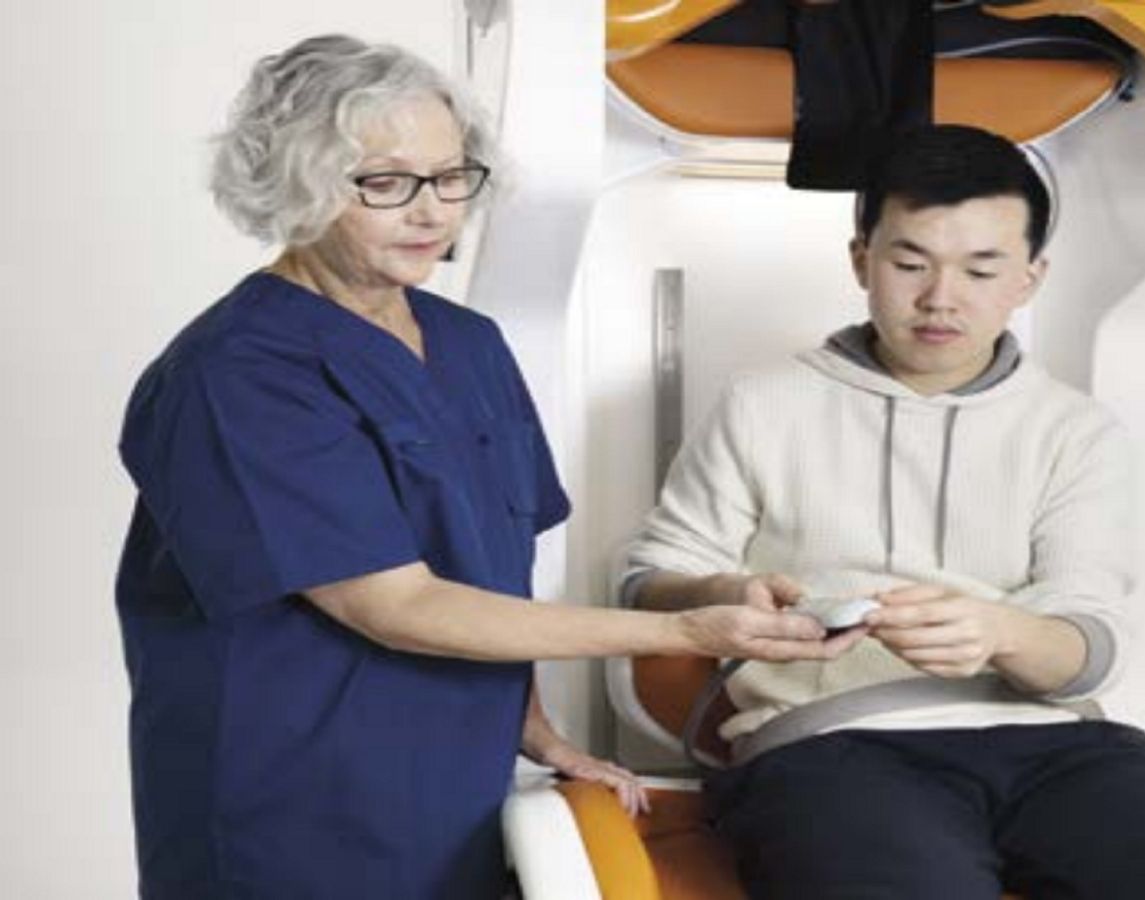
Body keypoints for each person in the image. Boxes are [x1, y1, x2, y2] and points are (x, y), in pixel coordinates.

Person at [114, 35, 850, 900]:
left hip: (451, 785)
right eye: (385, 183)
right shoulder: (236, 373)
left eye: (452, 176)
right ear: (295, 182)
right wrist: (684, 634)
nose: (432, 212)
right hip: (289, 795)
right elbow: (396, 605)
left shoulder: (468, 344)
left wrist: (540, 734)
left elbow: (491, 582)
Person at [620, 125, 1145, 898]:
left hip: (1060, 748)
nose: (940, 299)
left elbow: (1093, 643)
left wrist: (1001, 632)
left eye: (982, 269)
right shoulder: (764, 404)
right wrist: (722, 595)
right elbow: (649, 581)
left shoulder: (1073, 429)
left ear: (1029, 277)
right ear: (862, 261)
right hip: (830, 746)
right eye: (909, 263)